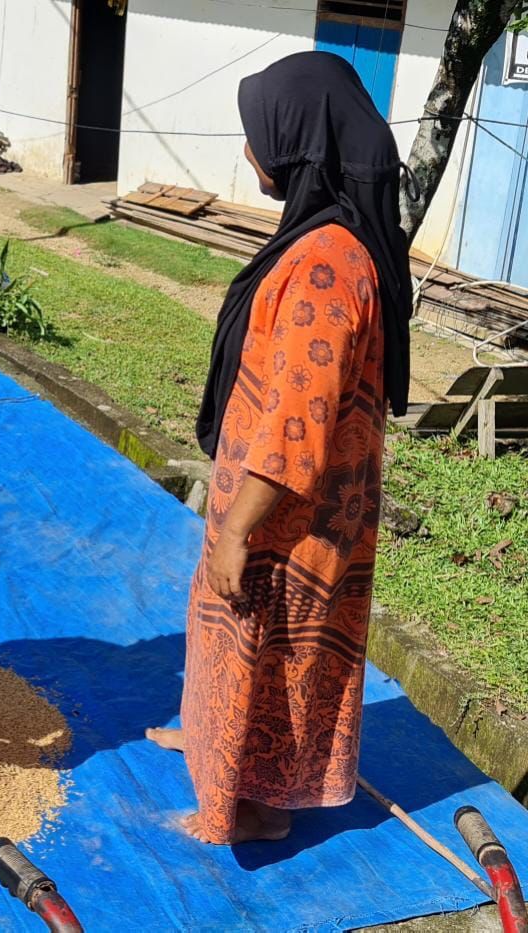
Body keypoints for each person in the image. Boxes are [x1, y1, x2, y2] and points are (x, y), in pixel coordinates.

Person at [146, 51, 415, 844]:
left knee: (266, 649)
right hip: (268, 501)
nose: (247, 151)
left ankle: (247, 809)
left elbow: (298, 417)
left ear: (297, 140)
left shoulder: (329, 264)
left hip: (287, 519)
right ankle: (209, 748)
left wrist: (235, 528)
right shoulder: (319, 243)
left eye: (257, 133)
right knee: (228, 642)